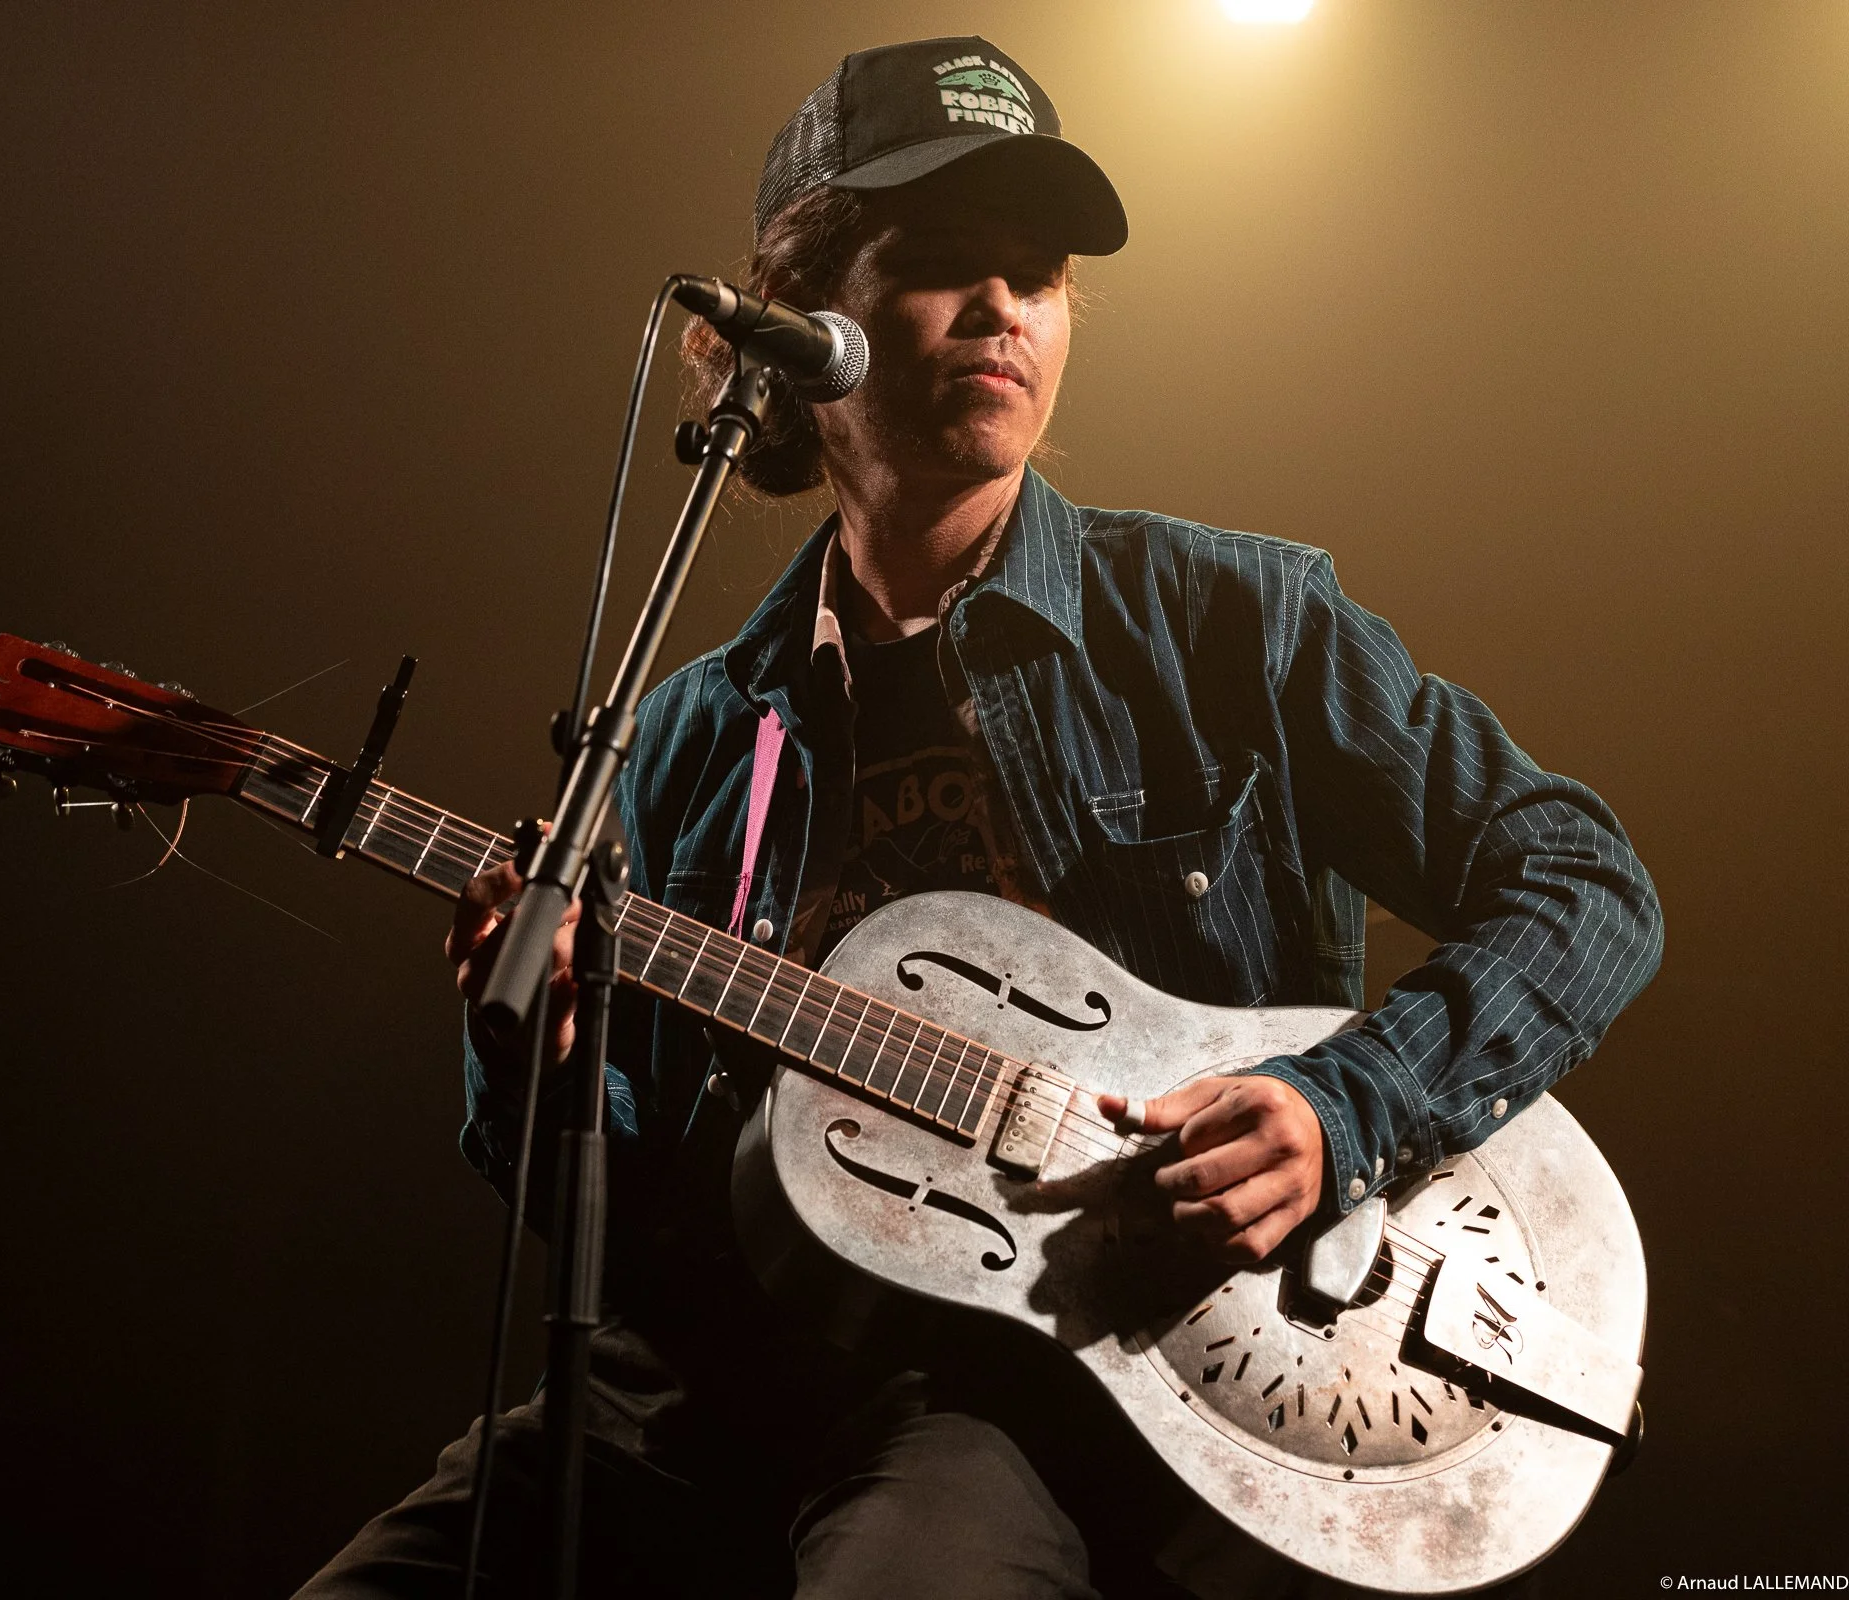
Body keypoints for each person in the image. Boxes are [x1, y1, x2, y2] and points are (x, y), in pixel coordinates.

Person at [299, 35, 1662, 1600]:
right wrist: (538, 1056)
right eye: (945, 260)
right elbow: (621, 1219)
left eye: (1043, 275)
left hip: (1027, 1385)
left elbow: (1586, 881)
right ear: (803, 314)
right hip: (698, 1383)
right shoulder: (685, 735)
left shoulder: (1231, 622)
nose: (1007, 306)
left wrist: (1342, 1107)